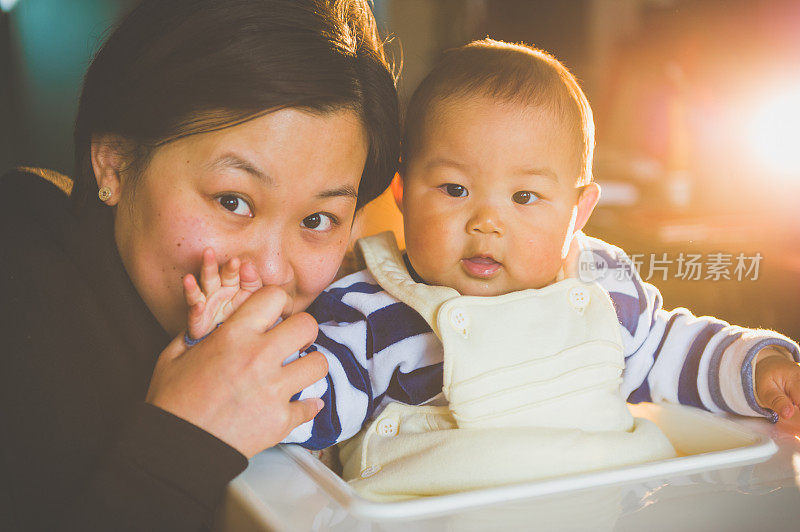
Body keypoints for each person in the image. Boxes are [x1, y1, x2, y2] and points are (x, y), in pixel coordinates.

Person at [188, 39, 800, 499]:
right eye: (454, 189)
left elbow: (677, 351)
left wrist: (762, 370)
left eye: (525, 198)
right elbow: (318, 405)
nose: (486, 222)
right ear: (402, 194)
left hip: (609, 505)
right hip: (435, 513)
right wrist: (233, 340)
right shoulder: (369, 305)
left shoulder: (605, 290)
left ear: (578, 213)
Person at [0, 0, 399, 530]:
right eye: (233, 201)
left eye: (318, 219)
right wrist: (188, 436)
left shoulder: (354, 334)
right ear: (114, 162)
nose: (273, 271)